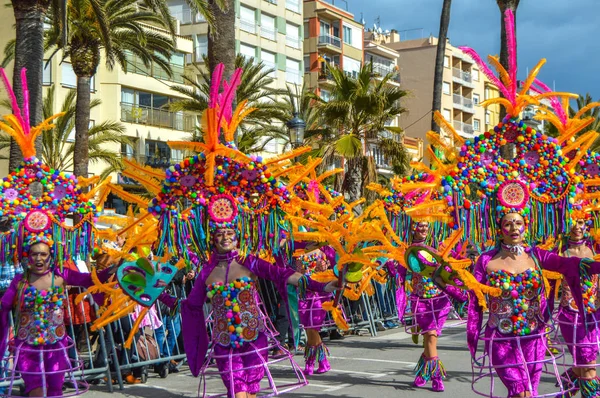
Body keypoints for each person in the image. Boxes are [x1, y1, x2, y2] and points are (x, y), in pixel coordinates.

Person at [161, 224, 340, 398]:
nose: (225, 238)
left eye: (229, 232)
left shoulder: (249, 261)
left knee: (250, 390)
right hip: (225, 344)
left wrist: (322, 286)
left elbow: (283, 275)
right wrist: (158, 294)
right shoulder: (206, 272)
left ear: (237, 235)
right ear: (212, 239)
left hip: (254, 339)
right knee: (237, 390)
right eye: (220, 234)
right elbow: (190, 305)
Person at [467, 209, 600, 398]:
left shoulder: (537, 256)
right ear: (500, 229)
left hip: (534, 338)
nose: (514, 227)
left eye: (518, 223)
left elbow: (570, 264)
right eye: (508, 223)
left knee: (529, 392)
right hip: (501, 339)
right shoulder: (486, 260)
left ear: (525, 227)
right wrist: (443, 279)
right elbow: (470, 294)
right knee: (521, 393)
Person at [0, 239, 113, 397]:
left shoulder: (61, 275)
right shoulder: (20, 281)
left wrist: (115, 267)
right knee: (36, 390)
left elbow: (90, 280)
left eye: (43, 254)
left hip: (56, 345)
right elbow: (4, 305)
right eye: (34, 254)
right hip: (28, 345)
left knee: (55, 389)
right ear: (28, 256)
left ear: (50, 256)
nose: (39, 258)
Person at [391, 221, 466, 392]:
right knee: (430, 336)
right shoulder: (408, 251)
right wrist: (391, 268)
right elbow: (399, 277)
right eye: (419, 225)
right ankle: (436, 376)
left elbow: (453, 265)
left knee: (430, 338)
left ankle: (422, 373)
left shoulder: (440, 247)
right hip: (421, 301)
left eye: (426, 225)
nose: (423, 228)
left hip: (440, 300)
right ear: (412, 227)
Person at [555, 210, 600, 396]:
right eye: (572, 222)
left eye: (580, 222)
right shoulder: (558, 251)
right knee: (587, 360)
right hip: (570, 314)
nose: (576, 227)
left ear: (586, 224)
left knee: (584, 360)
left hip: (595, 313)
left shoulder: (596, 248)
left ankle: (567, 386)